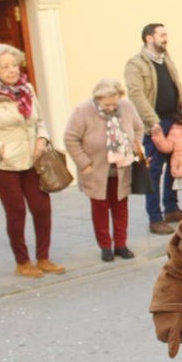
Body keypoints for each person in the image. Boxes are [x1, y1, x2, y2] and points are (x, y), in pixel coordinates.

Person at [0, 44, 65, 279]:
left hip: (32, 159)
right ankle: (22, 261)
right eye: (5, 66)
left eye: (14, 65)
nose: (12, 70)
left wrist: (42, 139)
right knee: (16, 211)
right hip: (3, 164)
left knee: (42, 208)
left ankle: (43, 258)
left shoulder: (27, 89)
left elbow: (39, 121)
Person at [64, 79, 145, 263]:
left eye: (114, 103)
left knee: (121, 208)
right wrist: (84, 163)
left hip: (122, 168)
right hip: (95, 170)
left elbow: (139, 127)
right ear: (98, 99)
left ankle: (121, 244)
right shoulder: (83, 111)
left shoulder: (127, 107)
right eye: (107, 104)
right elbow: (70, 138)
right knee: (100, 209)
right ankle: (105, 246)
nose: (111, 107)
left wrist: (134, 147)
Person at [125, 23, 182, 235]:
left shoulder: (165, 58)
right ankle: (155, 217)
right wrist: (153, 121)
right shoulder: (135, 64)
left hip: (173, 120)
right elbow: (136, 94)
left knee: (174, 167)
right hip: (154, 125)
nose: (165, 38)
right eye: (162, 34)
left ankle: (171, 208)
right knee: (154, 171)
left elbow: (176, 84)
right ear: (149, 38)